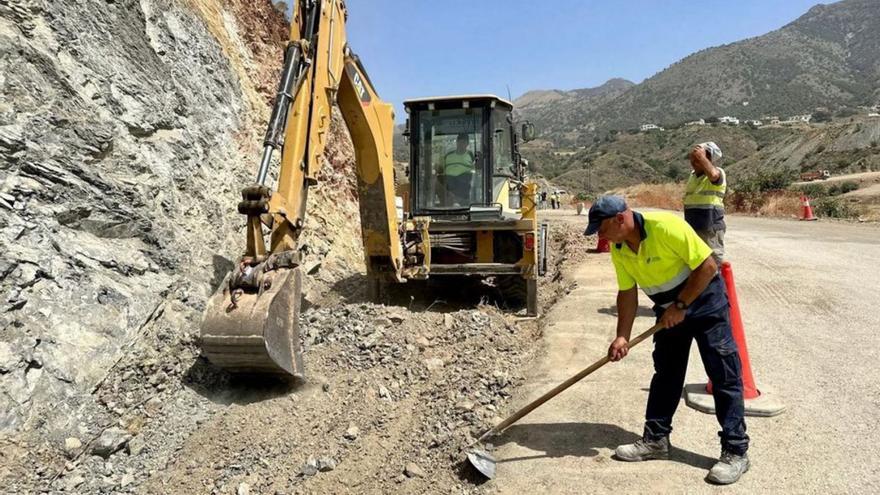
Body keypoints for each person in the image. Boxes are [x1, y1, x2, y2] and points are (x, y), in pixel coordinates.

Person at [584, 195, 750, 485]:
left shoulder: (666, 227)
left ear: (620, 219)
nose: (601, 236)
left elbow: (708, 266)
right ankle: (656, 440)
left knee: (723, 374)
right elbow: (627, 294)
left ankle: (736, 451)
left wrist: (682, 306)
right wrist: (622, 335)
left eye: (602, 228)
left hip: (705, 301)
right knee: (666, 374)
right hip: (669, 311)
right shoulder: (620, 248)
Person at [684, 142, 726, 265]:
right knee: (697, 264)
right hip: (693, 227)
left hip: (710, 228)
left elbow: (714, 176)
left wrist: (702, 158)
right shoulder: (692, 176)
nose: (694, 160)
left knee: (713, 264)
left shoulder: (718, 172)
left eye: (698, 157)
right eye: (693, 157)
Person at [442, 133, 475, 205]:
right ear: (457, 143)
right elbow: (440, 168)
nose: (461, 144)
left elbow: (476, 169)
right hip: (449, 180)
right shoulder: (448, 155)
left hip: (464, 180)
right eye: (460, 142)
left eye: (464, 142)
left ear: (467, 144)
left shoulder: (470, 155)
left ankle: (457, 202)